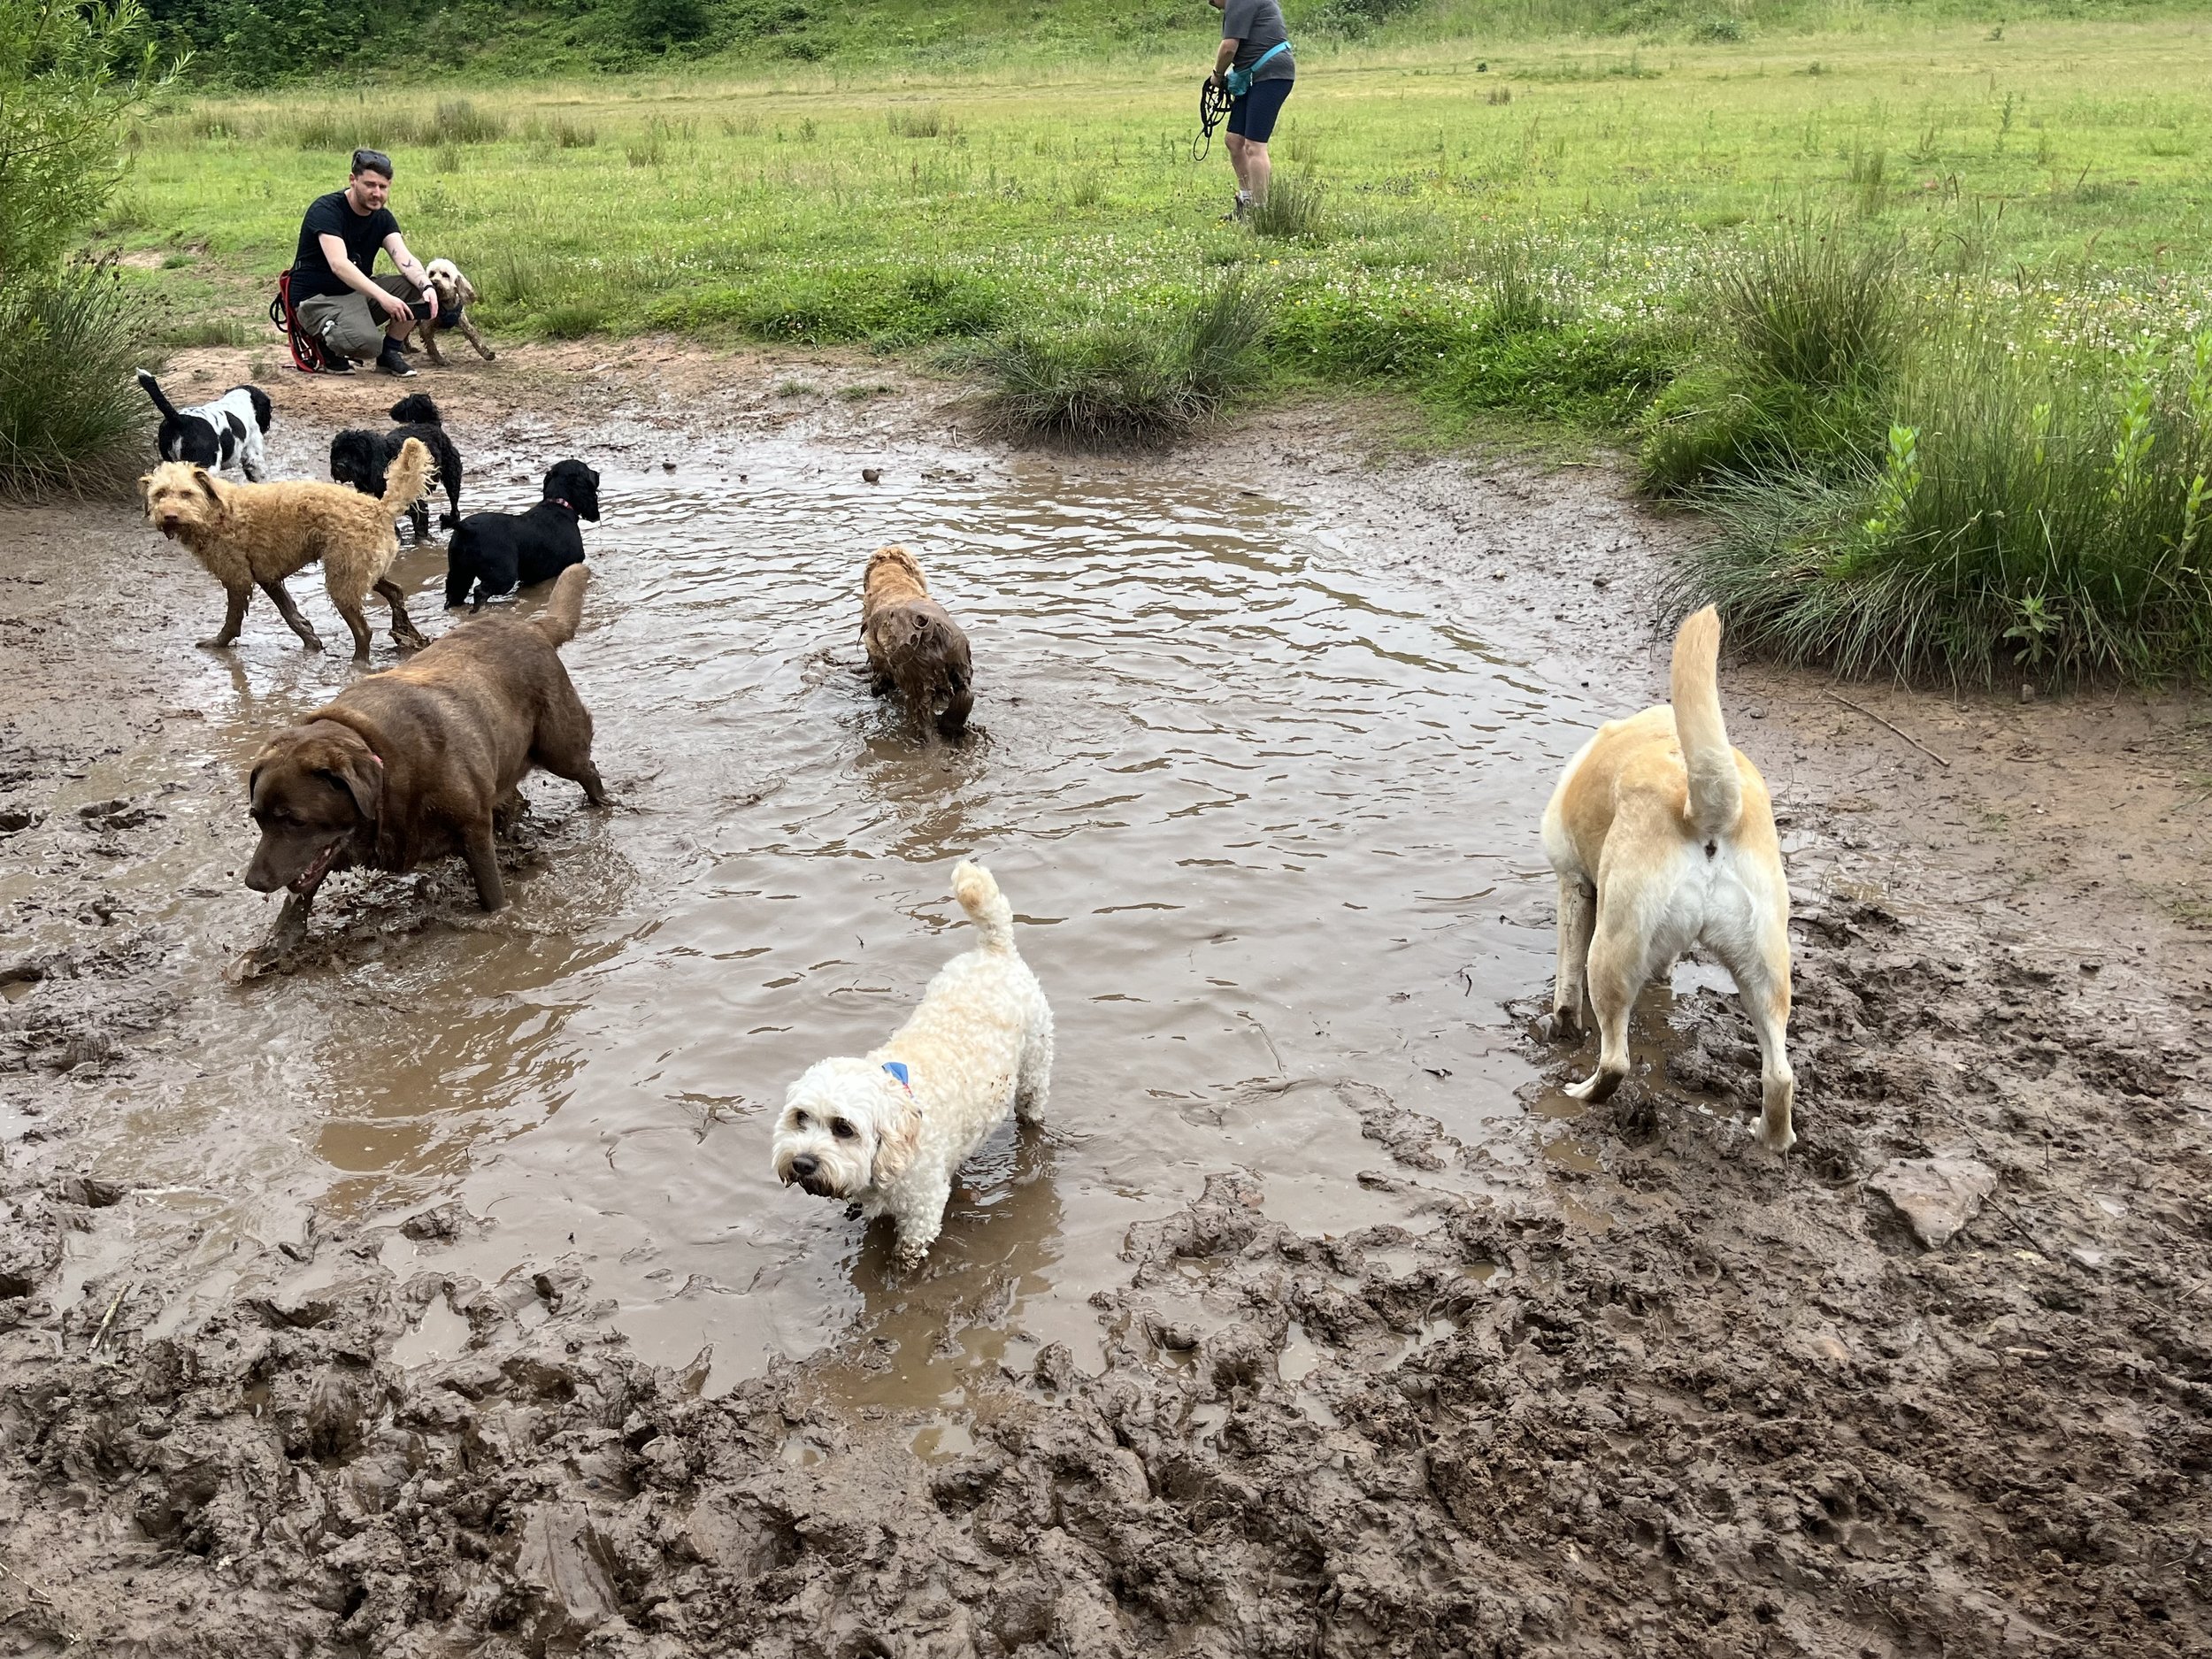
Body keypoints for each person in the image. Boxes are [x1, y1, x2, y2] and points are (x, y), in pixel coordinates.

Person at [289, 149, 438, 378]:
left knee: (413, 286)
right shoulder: (326, 209)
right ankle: (325, 345)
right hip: (317, 299)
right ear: (353, 180)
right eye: (369, 185)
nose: (376, 193)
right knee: (368, 344)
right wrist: (384, 297)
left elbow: (404, 257)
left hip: (354, 294)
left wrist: (426, 286)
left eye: (383, 187)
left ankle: (389, 354)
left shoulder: (382, 218)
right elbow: (339, 264)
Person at [1207, 0, 1294, 220]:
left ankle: (1261, 212)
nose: (1215, 6)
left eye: (1213, 2)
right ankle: (1246, 204)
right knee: (1234, 140)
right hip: (1254, 76)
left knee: (1254, 145)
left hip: (1271, 75)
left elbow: (1229, 47)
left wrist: (1217, 76)